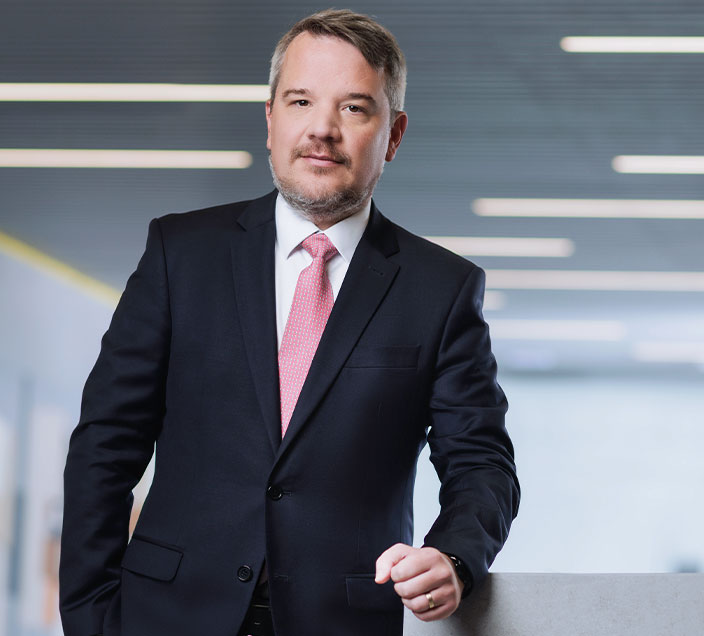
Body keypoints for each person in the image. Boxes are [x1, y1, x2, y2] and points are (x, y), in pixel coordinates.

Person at [59, 9, 519, 636]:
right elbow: (104, 445)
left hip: (342, 620)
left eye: (355, 108)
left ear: (395, 134)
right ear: (271, 118)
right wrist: (89, 617)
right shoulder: (181, 253)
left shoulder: (442, 287)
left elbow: (481, 464)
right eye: (301, 100)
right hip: (166, 615)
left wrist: (454, 556)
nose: (322, 130)